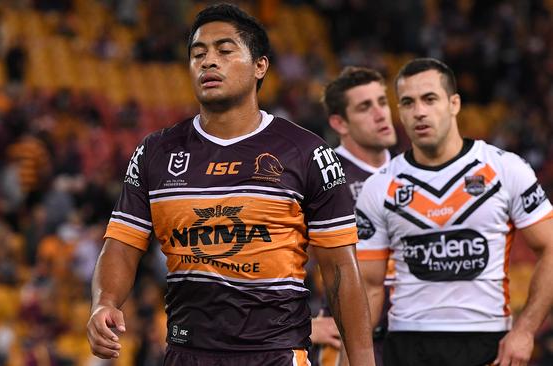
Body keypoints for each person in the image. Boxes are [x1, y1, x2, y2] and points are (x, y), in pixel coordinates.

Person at [86, 3, 375, 366]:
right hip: (186, 354)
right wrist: (105, 302)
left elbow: (340, 269)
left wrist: (363, 360)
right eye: (198, 54)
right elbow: (122, 245)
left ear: (260, 66)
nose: (208, 62)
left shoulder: (306, 152)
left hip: (276, 354)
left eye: (224, 51)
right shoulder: (155, 152)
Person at [355, 57, 553, 366]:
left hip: (488, 343)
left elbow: (551, 248)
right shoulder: (378, 187)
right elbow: (368, 287)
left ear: (454, 103)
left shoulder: (505, 169)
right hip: (407, 344)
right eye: (407, 103)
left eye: (429, 99)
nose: (419, 111)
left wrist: (526, 330)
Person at [310, 66, 397, 366]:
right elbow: (275, 260)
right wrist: (302, 324)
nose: (380, 113)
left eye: (382, 102)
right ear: (339, 123)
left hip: (409, 337)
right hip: (349, 342)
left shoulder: (410, 173)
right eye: (365, 107)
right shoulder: (322, 176)